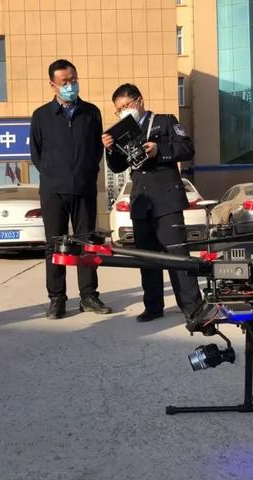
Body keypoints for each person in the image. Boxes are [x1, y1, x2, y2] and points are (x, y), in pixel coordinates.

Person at [102, 84, 202, 322]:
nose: (124, 111)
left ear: (139, 101)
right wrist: (110, 149)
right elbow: (117, 167)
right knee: (147, 259)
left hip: (167, 199)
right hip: (141, 201)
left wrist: (160, 149)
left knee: (178, 257)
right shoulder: (122, 132)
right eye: (119, 109)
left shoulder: (165, 121)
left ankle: (193, 308)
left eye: (127, 105)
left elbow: (187, 148)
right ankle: (153, 307)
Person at [29, 59, 112, 319]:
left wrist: (86, 172)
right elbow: (36, 154)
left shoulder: (91, 112)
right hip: (53, 190)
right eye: (65, 82)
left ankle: (89, 296)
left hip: (84, 189)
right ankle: (57, 299)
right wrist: (54, 174)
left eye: (73, 80)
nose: (70, 85)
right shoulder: (41, 116)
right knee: (55, 245)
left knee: (87, 244)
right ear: (52, 85)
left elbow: (96, 150)